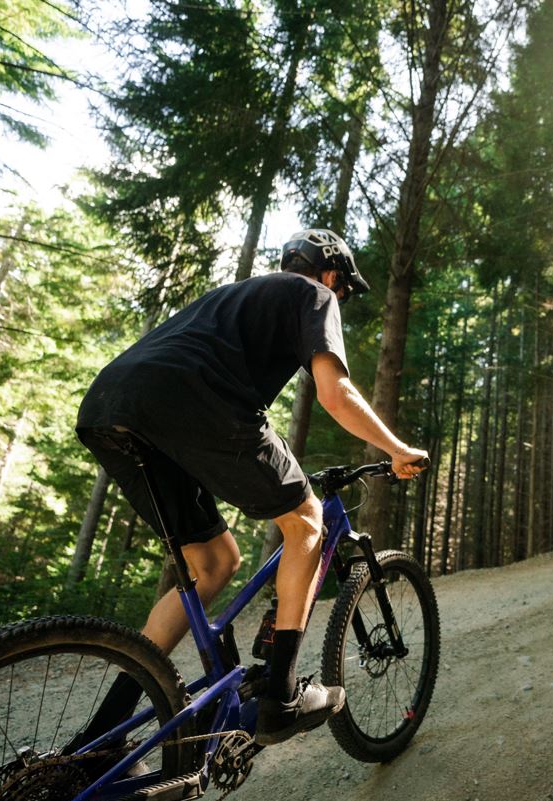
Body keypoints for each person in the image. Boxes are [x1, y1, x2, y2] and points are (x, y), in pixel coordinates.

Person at [72, 228, 427, 747]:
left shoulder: (233, 296)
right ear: (331, 274)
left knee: (214, 563)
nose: (340, 300)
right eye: (345, 290)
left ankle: (100, 739)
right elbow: (335, 391)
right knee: (307, 519)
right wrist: (396, 448)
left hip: (109, 405)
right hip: (193, 396)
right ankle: (281, 697)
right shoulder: (315, 293)